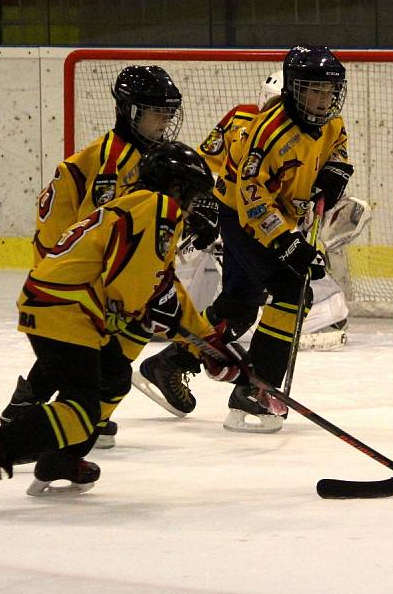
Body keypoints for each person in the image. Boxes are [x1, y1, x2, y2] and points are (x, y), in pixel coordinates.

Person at [0, 142, 242, 514]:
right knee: (81, 409)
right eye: (192, 195)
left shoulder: (136, 206)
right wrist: (149, 311)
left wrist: (207, 342)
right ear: (176, 189)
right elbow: (130, 289)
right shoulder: (161, 207)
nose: (194, 206)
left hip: (61, 305)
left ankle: (60, 460)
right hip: (66, 309)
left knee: (113, 379)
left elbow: (162, 284)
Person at [136, 68, 364, 418]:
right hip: (246, 220)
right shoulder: (249, 124)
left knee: (240, 306)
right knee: (285, 292)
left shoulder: (320, 123)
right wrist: (206, 206)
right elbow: (209, 167)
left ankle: (172, 363)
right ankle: (254, 386)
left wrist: (333, 173)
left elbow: (328, 152)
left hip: (269, 222)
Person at [0, 65, 189, 450]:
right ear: (129, 110)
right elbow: (100, 228)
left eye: (169, 114)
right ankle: (30, 410)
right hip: (68, 270)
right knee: (83, 342)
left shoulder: (143, 158)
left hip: (81, 266)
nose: (164, 123)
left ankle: (75, 413)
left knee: (115, 336)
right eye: (157, 113)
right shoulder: (113, 164)